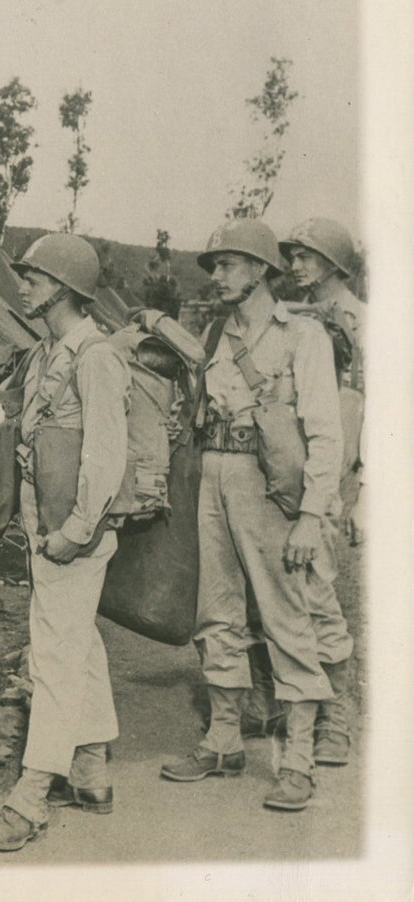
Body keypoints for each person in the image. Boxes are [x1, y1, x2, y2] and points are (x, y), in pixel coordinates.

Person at [160, 219, 343, 813]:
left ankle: (298, 761)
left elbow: (324, 433)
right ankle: (222, 740)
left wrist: (312, 515)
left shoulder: (301, 336)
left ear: (261, 269)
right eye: (213, 266)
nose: (216, 275)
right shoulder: (214, 333)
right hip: (214, 471)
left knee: (288, 616)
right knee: (216, 612)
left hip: (268, 487)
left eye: (228, 264)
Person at [0, 233, 129, 853]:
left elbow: (106, 457)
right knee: (77, 643)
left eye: (33, 277)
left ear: (63, 286)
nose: (22, 285)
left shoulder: (95, 356)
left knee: (54, 655)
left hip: (74, 532)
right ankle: (90, 769)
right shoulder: (46, 351)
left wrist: (76, 531)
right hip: (51, 527)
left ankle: (32, 794)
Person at [277, 217, 362, 766]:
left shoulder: (360, 321)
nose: (296, 265)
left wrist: (367, 491)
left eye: (308, 256)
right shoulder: (302, 319)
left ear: (334, 263)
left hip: (340, 473)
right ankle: (291, 705)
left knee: (319, 594)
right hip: (304, 471)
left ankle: (337, 717)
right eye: (293, 256)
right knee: (291, 590)